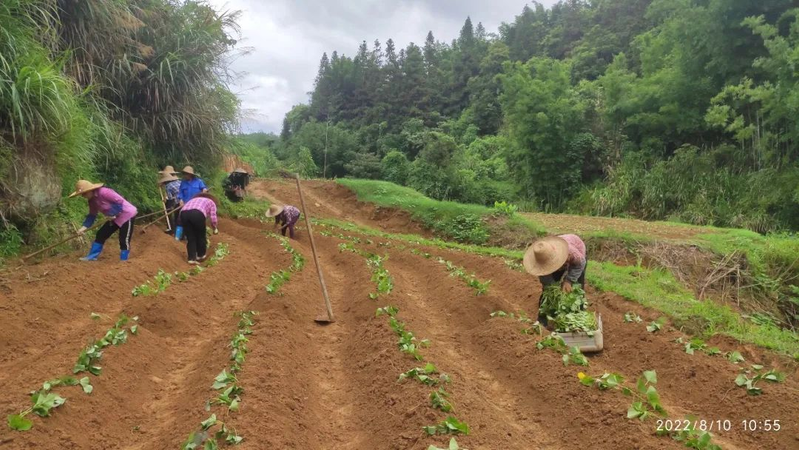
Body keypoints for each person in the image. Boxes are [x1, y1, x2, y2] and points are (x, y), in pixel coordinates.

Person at [523, 234, 587, 326]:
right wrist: (553, 288)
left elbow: (580, 263)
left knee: (576, 290)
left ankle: (577, 318)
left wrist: (569, 281)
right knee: (548, 291)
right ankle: (543, 321)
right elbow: (546, 280)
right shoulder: (540, 259)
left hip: (577, 259)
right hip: (554, 260)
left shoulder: (572, 253)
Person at [70, 180, 138, 261]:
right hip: (113, 217)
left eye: (84, 193)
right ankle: (92, 256)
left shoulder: (104, 192)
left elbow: (119, 201)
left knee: (124, 238)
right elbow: (92, 215)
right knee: (101, 234)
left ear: (90, 190)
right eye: (82, 194)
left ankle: (124, 260)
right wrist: (83, 228)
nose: (83, 196)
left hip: (127, 214)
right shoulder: (92, 201)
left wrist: (113, 213)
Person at [179, 193, 219, 264]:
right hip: (197, 213)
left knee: (190, 237)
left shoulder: (193, 200)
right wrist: (214, 227)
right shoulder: (211, 202)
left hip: (183, 213)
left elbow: (182, 211)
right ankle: (201, 255)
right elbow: (213, 217)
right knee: (200, 235)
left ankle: (191, 258)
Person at [158, 167, 181, 234]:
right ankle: (176, 230)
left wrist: (166, 200)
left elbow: (170, 198)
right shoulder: (179, 181)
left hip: (178, 201)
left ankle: (172, 229)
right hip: (185, 199)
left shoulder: (168, 186)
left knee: (170, 211)